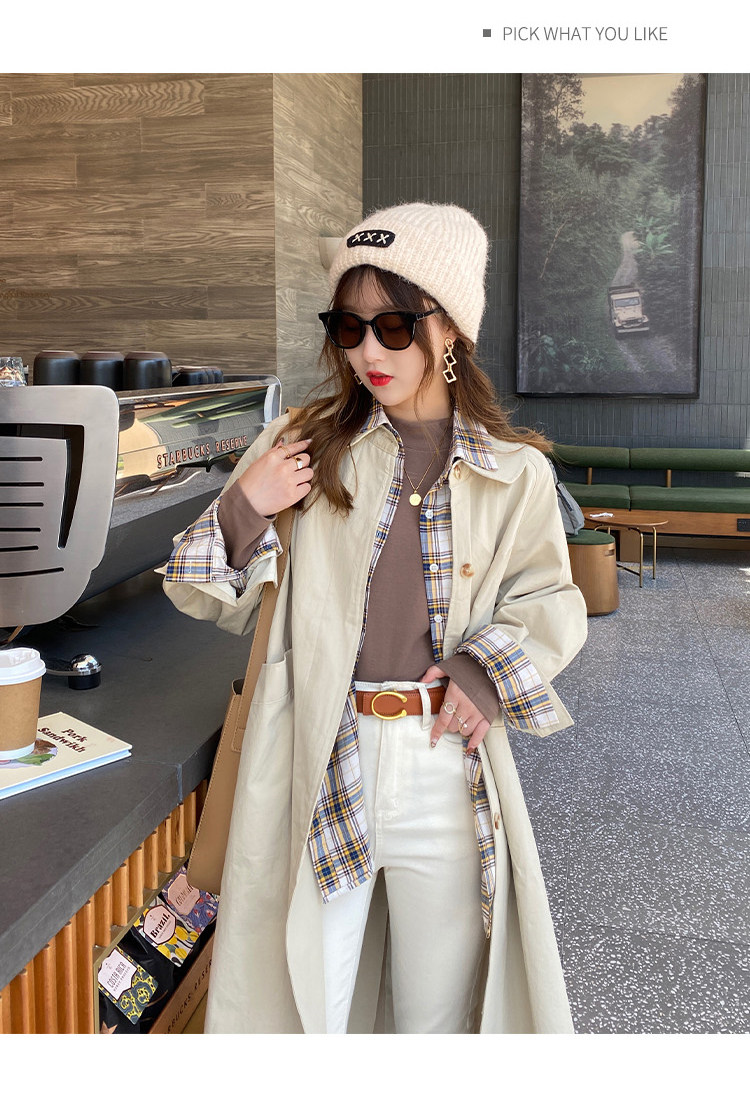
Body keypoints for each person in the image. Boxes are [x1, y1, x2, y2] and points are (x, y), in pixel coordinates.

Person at [162, 202, 588, 1034]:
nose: (369, 352)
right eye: (349, 327)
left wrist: (484, 671)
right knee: (298, 1006)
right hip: (322, 750)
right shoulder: (301, 445)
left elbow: (551, 599)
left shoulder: (514, 472)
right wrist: (246, 506)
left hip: (444, 762)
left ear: (451, 329)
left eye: (395, 325)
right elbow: (198, 591)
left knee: (437, 1015)